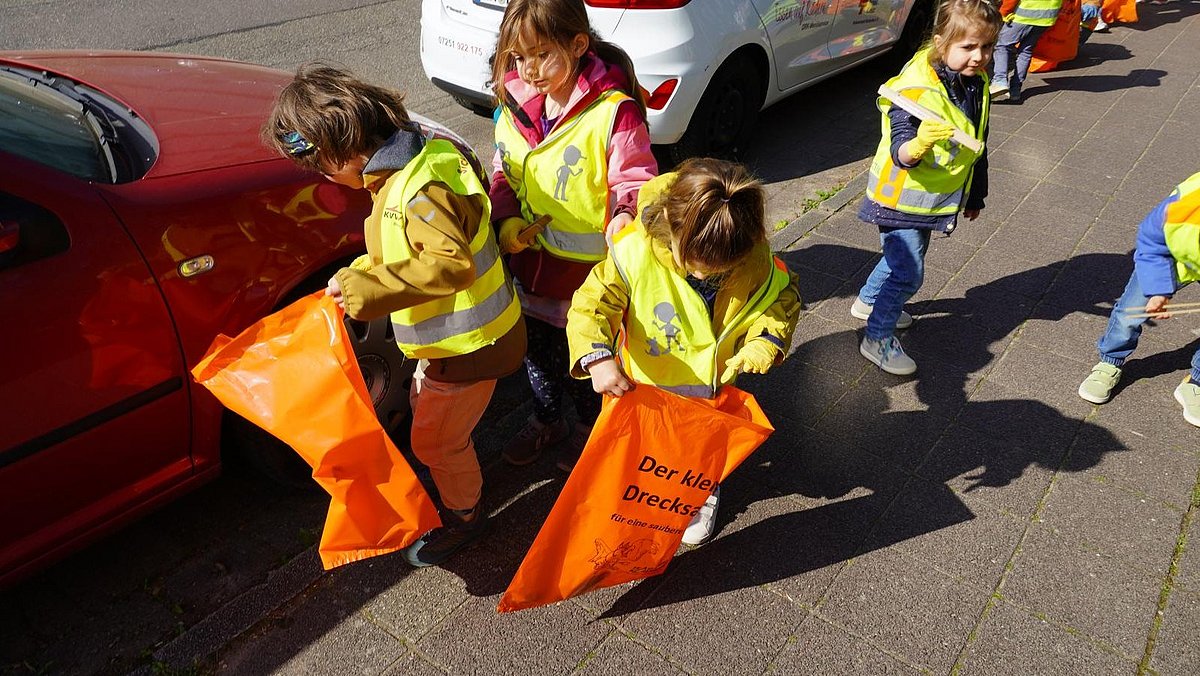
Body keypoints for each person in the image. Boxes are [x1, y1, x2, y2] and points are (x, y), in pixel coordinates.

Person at [263, 64, 527, 567]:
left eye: (321, 165)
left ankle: (466, 517)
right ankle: (458, 481)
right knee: (434, 419)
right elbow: (406, 247)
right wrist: (360, 272)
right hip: (464, 342)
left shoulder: (419, 190)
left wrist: (369, 288)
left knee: (435, 443)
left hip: (470, 348)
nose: (323, 177)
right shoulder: (414, 160)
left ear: (342, 148)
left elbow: (449, 264)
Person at [566, 158, 802, 545]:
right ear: (671, 227)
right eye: (694, 263)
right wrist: (598, 357)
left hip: (710, 387)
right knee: (648, 447)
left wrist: (765, 340)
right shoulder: (634, 252)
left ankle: (700, 491)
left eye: (720, 268)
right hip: (646, 382)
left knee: (698, 449)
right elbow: (593, 303)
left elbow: (782, 298)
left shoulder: (754, 258)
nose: (704, 275)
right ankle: (649, 489)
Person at [488, 0, 657, 471]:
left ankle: (589, 433)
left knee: (588, 361)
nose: (529, 70)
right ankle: (547, 421)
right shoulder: (512, 105)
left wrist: (625, 215)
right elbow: (504, 170)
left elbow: (635, 180)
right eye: (518, 57)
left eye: (542, 55)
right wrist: (505, 222)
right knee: (537, 356)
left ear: (578, 44)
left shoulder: (613, 113)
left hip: (588, 276)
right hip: (531, 268)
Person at [854, 0, 1001, 375]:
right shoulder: (917, 90)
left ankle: (870, 301)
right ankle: (876, 337)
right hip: (901, 199)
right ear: (941, 43)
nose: (979, 56)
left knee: (901, 261)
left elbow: (977, 142)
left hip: (932, 199)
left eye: (986, 46)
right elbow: (902, 151)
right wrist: (919, 145)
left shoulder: (973, 80)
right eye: (968, 47)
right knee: (908, 273)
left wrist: (975, 193)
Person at [1077, 172, 1200, 428]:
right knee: (1130, 312)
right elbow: (1151, 242)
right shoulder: (1186, 205)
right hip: (1167, 255)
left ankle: (1196, 381)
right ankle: (1109, 362)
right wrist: (1159, 290)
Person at [991, 0, 1062, 102]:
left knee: (1002, 45)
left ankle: (999, 81)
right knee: (1026, 51)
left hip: (1023, 15)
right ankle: (1015, 90)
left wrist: (1003, 13)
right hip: (1047, 17)